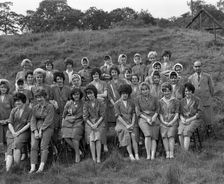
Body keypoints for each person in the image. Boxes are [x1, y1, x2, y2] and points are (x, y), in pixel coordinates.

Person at [29, 88, 55, 173]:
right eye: (37, 97)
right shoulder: (35, 107)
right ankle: (32, 168)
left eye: (41, 97)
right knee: (33, 146)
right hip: (37, 127)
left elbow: (49, 120)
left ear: (45, 97)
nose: (39, 99)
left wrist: (41, 130)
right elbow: (32, 120)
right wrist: (35, 130)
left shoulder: (50, 106)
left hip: (47, 127)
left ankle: (41, 167)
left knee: (43, 146)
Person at [5, 93, 32, 171]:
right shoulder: (14, 110)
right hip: (12, 132)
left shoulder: (29, 110)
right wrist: (13, 132)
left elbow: (29, 124)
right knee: (10, 149)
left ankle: (16, 167)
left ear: (23, 100)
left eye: (19, 101)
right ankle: (8, 170)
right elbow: (10, 123)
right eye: (16, 101)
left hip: (23, 132)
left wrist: (19, 132)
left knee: (16, 144)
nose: (17, 103)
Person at [114, 84, 139, 161]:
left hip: (132, 122)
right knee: (127, 134)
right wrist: (127, 125)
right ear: (121, 93)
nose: (125, 95)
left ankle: (136, 154)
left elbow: (134, 113)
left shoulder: (131, 102)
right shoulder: (117, 103)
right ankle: (131, 155)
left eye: (126, 93)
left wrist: (132, 124)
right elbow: (118, 116)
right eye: (123, 93)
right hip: (121, 123)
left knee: (133, 136)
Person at [188, 61, 214, 133]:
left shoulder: (207, 76)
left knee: (208, 115)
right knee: (197, 114)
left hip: (206, 98)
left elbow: (211, 87)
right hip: (196, 99)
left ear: (201, 67)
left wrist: (210, 95)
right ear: (193, 67)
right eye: (196, 66)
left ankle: (209, 129)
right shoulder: (191, 78)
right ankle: (198, 130)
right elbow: (190, 90)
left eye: (199, 66)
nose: (197, 68)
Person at [135, 82, 159, 160]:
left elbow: (158, 109)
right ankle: (148, 154)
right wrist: (147, 119)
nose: (145, 91)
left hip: (153, 117)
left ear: (149, 89)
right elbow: (138, 112)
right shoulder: (138, 99)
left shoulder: (154, 98)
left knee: (154, 137)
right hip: (143, 118)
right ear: (141, 91)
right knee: (148, 135)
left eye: (146, 89)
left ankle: (152, 155)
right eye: (143, 90)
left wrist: (154, 117)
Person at [83, 85, 106, 163]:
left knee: (98, 138)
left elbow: (102, 115)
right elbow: (85, 117)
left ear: (94, 93)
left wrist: (96, 124)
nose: (90, 95)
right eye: (88, 94)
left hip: (99, 121)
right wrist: (91, 125)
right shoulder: (86, 104)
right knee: (91, 138)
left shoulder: (100, 102)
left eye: (91, 93)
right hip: (89, 123)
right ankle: (93, 158)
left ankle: (98, 158)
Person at [61, 88, 84, 163]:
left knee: (74, 136)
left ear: (80, 95)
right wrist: (62, 124)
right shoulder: (69, 103)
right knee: (65, 136)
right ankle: (79, 151)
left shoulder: (83, 103)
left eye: (77, 94)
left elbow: (84, 115)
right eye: (74, 94)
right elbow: (64, 115)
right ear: (72, 95)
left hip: (79, 122)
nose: (76, 96)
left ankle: (77, 155)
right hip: (68, 122)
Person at [178, 83, 202, 151]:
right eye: (186, 91)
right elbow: (179, 113)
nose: (187, 92)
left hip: (194, 119)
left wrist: (190, 119)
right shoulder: (182, 101)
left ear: (192, 91)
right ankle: (183, 151)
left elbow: (199, 113)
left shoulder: (197, 100)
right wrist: (182, 119)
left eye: (189, 91)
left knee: (186, 132)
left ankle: (185, 152)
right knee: (180, 132)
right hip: (184, 119)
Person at [89, 68, 108, 152]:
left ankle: (105, 144)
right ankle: (96, 142)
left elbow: (105, 94)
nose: (95, 75)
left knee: (103, 125)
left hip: (102, 105)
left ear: (99, 74)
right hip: (93, 107)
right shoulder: (90, 84)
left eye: (96, 74)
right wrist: (99, 96)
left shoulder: (104, 83)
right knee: (96, 125)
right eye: (93, 74)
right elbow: (89, 96)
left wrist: (96, 96)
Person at [159, 82, 179, 159]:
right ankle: (167, 152)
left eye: (168, 91)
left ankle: (171, 152)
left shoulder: (175, 101)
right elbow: (160, 113)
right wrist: (163, 122)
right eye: (164, 91)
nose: (166, 93)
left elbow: (177, 114)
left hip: (173, 121)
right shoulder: (160, 101)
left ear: (171, 91)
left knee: (171, 136)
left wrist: (171, 122)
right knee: (164, 136)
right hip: (163, 121)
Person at [0, 79, 14, 150]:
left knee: (8, 138)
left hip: (8, 121)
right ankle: (4, 152)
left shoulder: (10, 97)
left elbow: (14, 109)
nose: (3, 89)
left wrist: (8, 120)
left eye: (5, 87)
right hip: (0, 121)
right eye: (2, 87)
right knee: (1, 139)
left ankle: (8, 153)